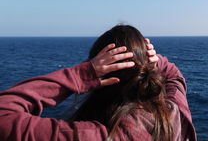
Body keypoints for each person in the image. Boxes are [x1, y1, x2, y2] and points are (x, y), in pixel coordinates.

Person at [0, 25, 197, 141]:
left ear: (104, 81)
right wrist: (155, 60)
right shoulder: (175, 113)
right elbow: (174, 77)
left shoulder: (97, 135)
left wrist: (82, 74)